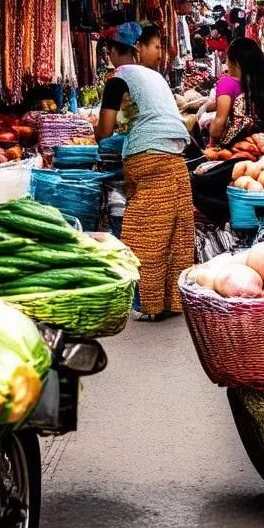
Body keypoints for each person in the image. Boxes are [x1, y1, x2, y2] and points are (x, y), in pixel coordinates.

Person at [95, 23, 194, 321]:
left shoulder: (117, 81)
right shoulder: (154, 78)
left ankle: (150, 305)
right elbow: (135, 117)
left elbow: (107, 130)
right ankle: (173, 301)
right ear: (137, 49)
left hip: (147, 158)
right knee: (177, 230)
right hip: (176, 156)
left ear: (113, 52)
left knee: (144, 232)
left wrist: (96, 130)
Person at [209, 37, 264, 148]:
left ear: (235, 62)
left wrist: (211, 130)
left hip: (237, 148)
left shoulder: (226, 83)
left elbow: (217, 128)